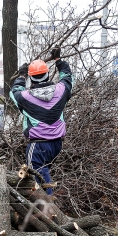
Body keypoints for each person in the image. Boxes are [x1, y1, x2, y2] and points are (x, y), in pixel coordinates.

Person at [10, 47, 72, 194]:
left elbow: (14, 91)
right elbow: (68, 77)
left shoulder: (25, 97)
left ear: (31, 78)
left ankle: (48, 210)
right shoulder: (61, 90)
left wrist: (21, 75)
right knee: (43, 175)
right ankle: (45, 208)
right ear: (48, 74)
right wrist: (58, 60)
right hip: (56, 143)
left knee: (39, 179)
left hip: (38, 146)